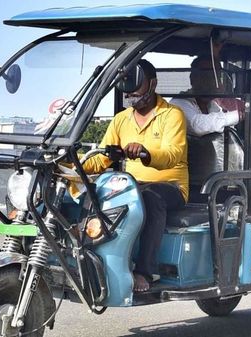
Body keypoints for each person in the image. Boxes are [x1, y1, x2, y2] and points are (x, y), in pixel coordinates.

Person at [83, 59, 188, 292]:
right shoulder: (121, 119)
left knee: (150, 199)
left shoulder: (172, 115)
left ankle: (145, 271)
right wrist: (73, 160)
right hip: (133, 185)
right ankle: (91, 257)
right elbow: (102, 158)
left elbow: (173, 153)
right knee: (94, 193)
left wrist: (145, 152)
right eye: (127, 89)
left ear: (152, 84)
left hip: (170, 186)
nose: (131, 94)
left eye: (136, 87)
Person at [170, 55, 245, 137]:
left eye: (216, 77)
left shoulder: (213, 104)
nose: (212, 83)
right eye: (206, 77)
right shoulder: (178, 103)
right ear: (193, 79)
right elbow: (197, 126)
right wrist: (237, 116)